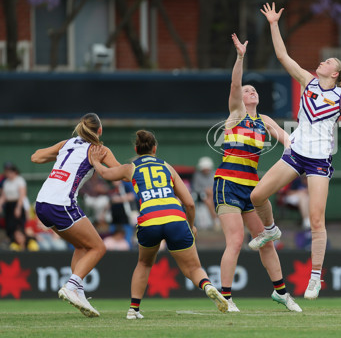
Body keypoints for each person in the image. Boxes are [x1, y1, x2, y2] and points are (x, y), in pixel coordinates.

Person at [249, 3, 341, 300]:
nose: (321, 63)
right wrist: (273, 23)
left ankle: (314, 278)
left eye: (327, 62)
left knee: (317, 220)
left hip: (320, 160)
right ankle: (270, 230)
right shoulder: (307, 82)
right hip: (295, 153)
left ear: (335, 73)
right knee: (257, 196)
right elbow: (282, 56)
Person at [89, 130, 228, 319]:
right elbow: (189, 203)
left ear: (136, 149)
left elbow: (105, 173)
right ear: (155, 148)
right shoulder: (168, 167)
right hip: (176, 219)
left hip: (150, 221)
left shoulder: (131, 168)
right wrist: (191, 225)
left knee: (144, 263)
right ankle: (208, 286)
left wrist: (95, 160)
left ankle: (133, 309)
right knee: (194, 268)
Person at [212, 33, 301, 313]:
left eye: (254, 90)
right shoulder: (237, 113)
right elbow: (235, 84)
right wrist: (240, 57)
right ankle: (226, 297)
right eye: (247, 90)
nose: (250, 92)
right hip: (227, 183)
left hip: (252, 189)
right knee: (236, 240)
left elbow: (291, 142)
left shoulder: (265, 121)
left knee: (265, 241)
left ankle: (282, 294)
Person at [31, 113, 120, 317]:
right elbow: (118, 173)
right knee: (98, 247)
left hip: (42, 203)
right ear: (99, 130)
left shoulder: (67, 143)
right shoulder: (99, 150)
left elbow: (35, 157)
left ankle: (78, 293)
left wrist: (63, 153)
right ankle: (71, 286)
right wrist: (99, 163)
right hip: (60, 204)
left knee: (82, 246)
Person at [0, 162, 28, 243]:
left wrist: (18, 208)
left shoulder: (19, 180)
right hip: (9, 206)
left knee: (17, 225)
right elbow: (4, 196)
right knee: (9, 225)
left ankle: (20, 242)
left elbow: (22, 195)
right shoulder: (6, 182)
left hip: (17, 204)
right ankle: (11, 241)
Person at [191, 156, 220, 230]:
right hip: (203, 196)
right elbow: (196, 188)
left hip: (214, 195)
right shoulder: (197, 176)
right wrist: (205, 190)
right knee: (208, 199)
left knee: (211, 197)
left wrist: (210, 190)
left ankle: (216, 219)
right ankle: (216, 219)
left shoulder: (214, 174)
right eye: (204, 169)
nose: (206, 170)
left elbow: (217, 186)